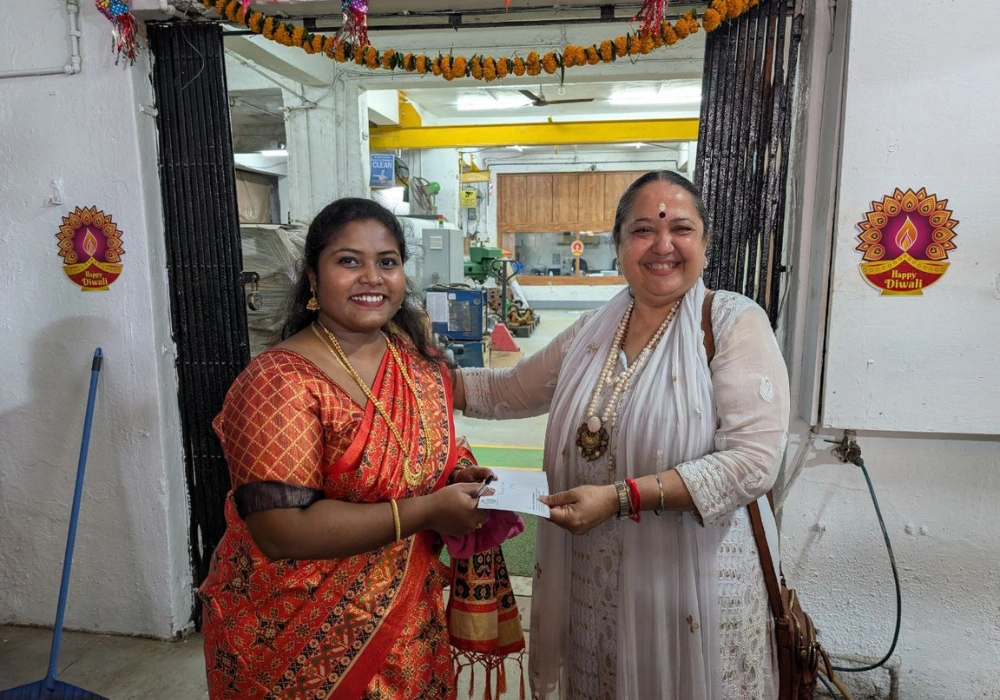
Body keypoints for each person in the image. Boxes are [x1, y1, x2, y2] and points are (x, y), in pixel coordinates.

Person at [453, 171, 790, 699]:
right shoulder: (591, 331)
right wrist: (412, 374)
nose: (662, 245)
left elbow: (752, 462)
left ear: (705, 243)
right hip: (596, 591)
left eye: (681, 228)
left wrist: (621, 498)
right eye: (642, 230)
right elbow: (507, 390)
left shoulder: (730, 322)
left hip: (692, 593)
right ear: (617, 245)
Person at [199, 198, 515, 699]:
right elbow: (281, 531)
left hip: (408, 626)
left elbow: (424, 454)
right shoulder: (277, 382)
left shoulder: (416, 363)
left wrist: (455, 476)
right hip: (294, 638)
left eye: (387, 262)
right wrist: (428, 510)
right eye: (349, 261)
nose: (372, 277)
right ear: (313, 277)